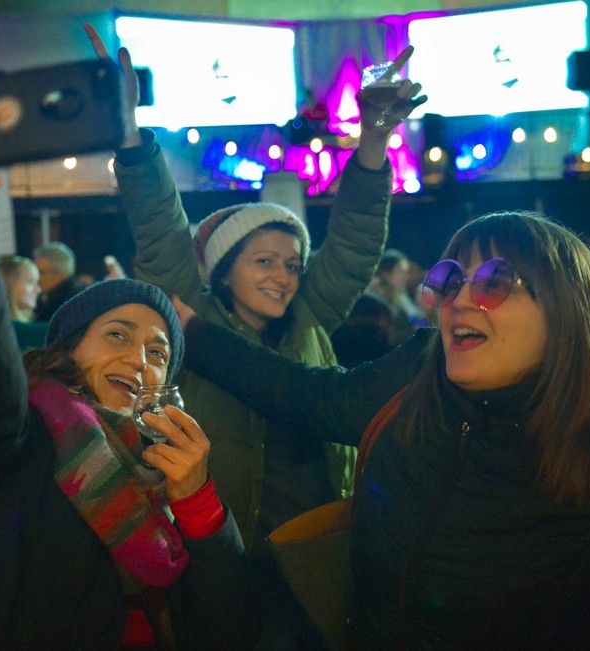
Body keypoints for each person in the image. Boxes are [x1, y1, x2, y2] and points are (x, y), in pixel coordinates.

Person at [174, 210, 590, 649]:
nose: (460, 300)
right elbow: (303, 396)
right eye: (449, 280)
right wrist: (194, 333)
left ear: (567, 312)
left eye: (495, 282)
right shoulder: (416, 378)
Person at [86, 23, 426, 649]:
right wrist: (129, 132)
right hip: (224, 543)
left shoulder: (311, 315)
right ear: (221, 271)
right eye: (263, 260)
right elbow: (159, 222)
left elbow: (353, 240)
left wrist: (376, 138)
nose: (283, 276)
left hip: (319, 540)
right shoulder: (192, 322)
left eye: (292, 262)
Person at [0, 78, 256, 650]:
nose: (138, 359)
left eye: (159, 352)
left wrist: (201, 502)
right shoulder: (15, 438)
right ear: (68, 351)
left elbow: (227, 629)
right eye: (116, 333)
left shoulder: (169, 464)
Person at [365, 248, 428, 342]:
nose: (406, 277)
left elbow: (421, 325)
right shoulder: (373, 301)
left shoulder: (401, 298)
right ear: (386, 274)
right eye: (401, 272)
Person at [0, 254, 48, 350]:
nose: (38, 290)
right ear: (8, 285)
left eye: (37, 282)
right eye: (29, 282)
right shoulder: (7, 330)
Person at [33, 241, 82, 322]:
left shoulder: (75, 301)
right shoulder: (41, 296)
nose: (35, 278)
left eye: (41, 273)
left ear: (60, 275)